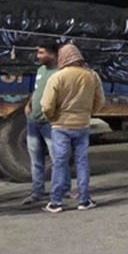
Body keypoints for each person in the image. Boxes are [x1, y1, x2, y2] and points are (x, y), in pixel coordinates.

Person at [41, 43, 104, 213]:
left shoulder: (57, 77)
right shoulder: (92, 76)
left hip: (60, 126)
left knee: (59, 163)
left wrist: (52, 117)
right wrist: (88, 114)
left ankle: (55, 202)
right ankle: (84, 201)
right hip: (82, 125)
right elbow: (100, 101)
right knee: (82, 163)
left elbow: (47, 105)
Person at [21, 41, 60, 206]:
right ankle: (37, 192)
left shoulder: (60, 73)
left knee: (57, 158)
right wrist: (29, 104)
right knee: (35, 159)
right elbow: (37, 90)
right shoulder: (41, 70)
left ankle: (61, 190)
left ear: (53, 54)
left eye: (42, 53)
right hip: (33, 121)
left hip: (49, 123)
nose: (38, 56)